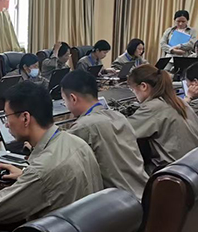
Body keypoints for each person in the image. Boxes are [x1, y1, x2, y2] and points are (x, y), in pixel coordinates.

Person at [0, 82, 102, 230]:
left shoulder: (41, 171)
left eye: (7, 116)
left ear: (25, 118)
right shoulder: (77, 143)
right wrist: (25, 175)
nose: (6, 124)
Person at [61, 71, 148, 200]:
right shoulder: (118, 116)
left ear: (73, 98)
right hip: (144, 193)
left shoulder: (85, 126)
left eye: (64, 100)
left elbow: (58, 156)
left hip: (121, 204)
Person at [126, 65, 198, 173]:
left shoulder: (153, 107)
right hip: (193, 167)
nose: (134, 95)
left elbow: (123, 132)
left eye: (133, 90)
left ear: (143, 86)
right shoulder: (179, 102)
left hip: (171, 170)